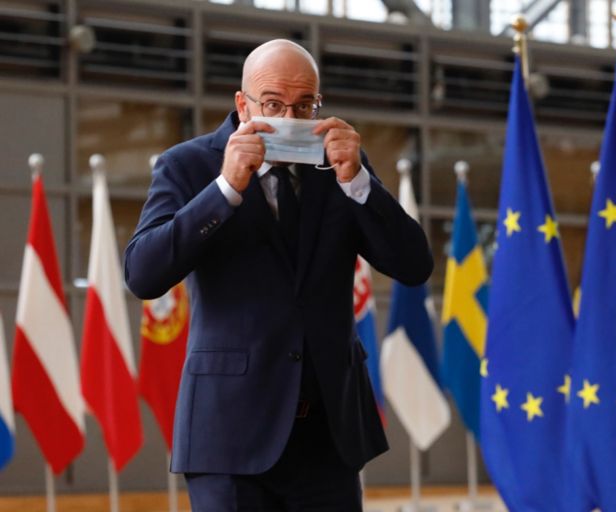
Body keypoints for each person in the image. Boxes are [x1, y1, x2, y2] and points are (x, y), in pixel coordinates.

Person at [124, 39, 432, 510]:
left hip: (329, 436)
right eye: (273, 104)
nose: (291, 117)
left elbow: (414, 266)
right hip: (229, 436)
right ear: (242, 104)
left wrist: (359, 182)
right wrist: (225, 189)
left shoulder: (341, 166)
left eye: (304, 105)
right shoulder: (188, 164)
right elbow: (143, 274)